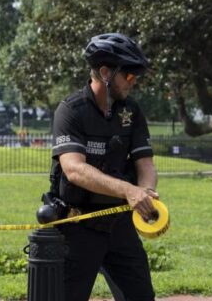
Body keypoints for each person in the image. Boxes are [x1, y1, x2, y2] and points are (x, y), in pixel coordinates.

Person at [49, 32, 158, 301]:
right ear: (105, 72)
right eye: (128, 75)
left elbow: (145, 163)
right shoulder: (71, 111)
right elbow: (74, 170)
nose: (133, 82)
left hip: (119, 223)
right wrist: (129, 191)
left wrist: (146, 192)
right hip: (79, 225)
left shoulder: (131, 111)